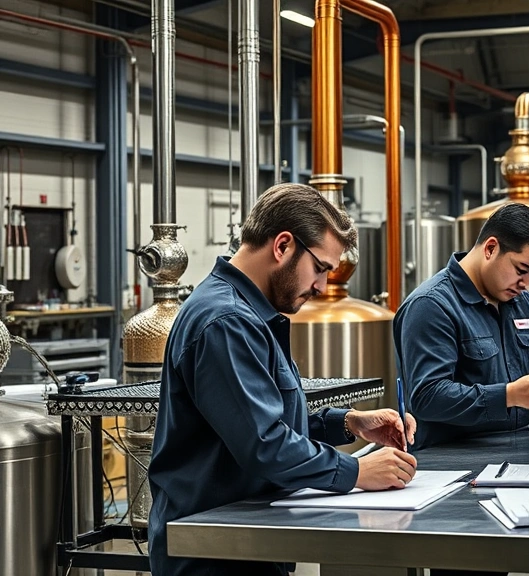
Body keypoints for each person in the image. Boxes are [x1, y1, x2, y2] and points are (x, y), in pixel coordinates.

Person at [148, 183, 417, 576]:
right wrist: (357, 473)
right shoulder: (226, 322)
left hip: (245, 540)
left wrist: (350, 422)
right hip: (213, 554)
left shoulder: (251, 315)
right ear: (283, 246)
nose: (323, 286)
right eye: (321, 268)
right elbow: (264, 444)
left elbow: (261, 421)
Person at [394, 202, 529, 451]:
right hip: (450, 461)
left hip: (517, 450)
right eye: (521, 270)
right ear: (490, 248)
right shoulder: (431, 305)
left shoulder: (521, 302)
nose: (525, 284)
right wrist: (508, 396)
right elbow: (428, 397)